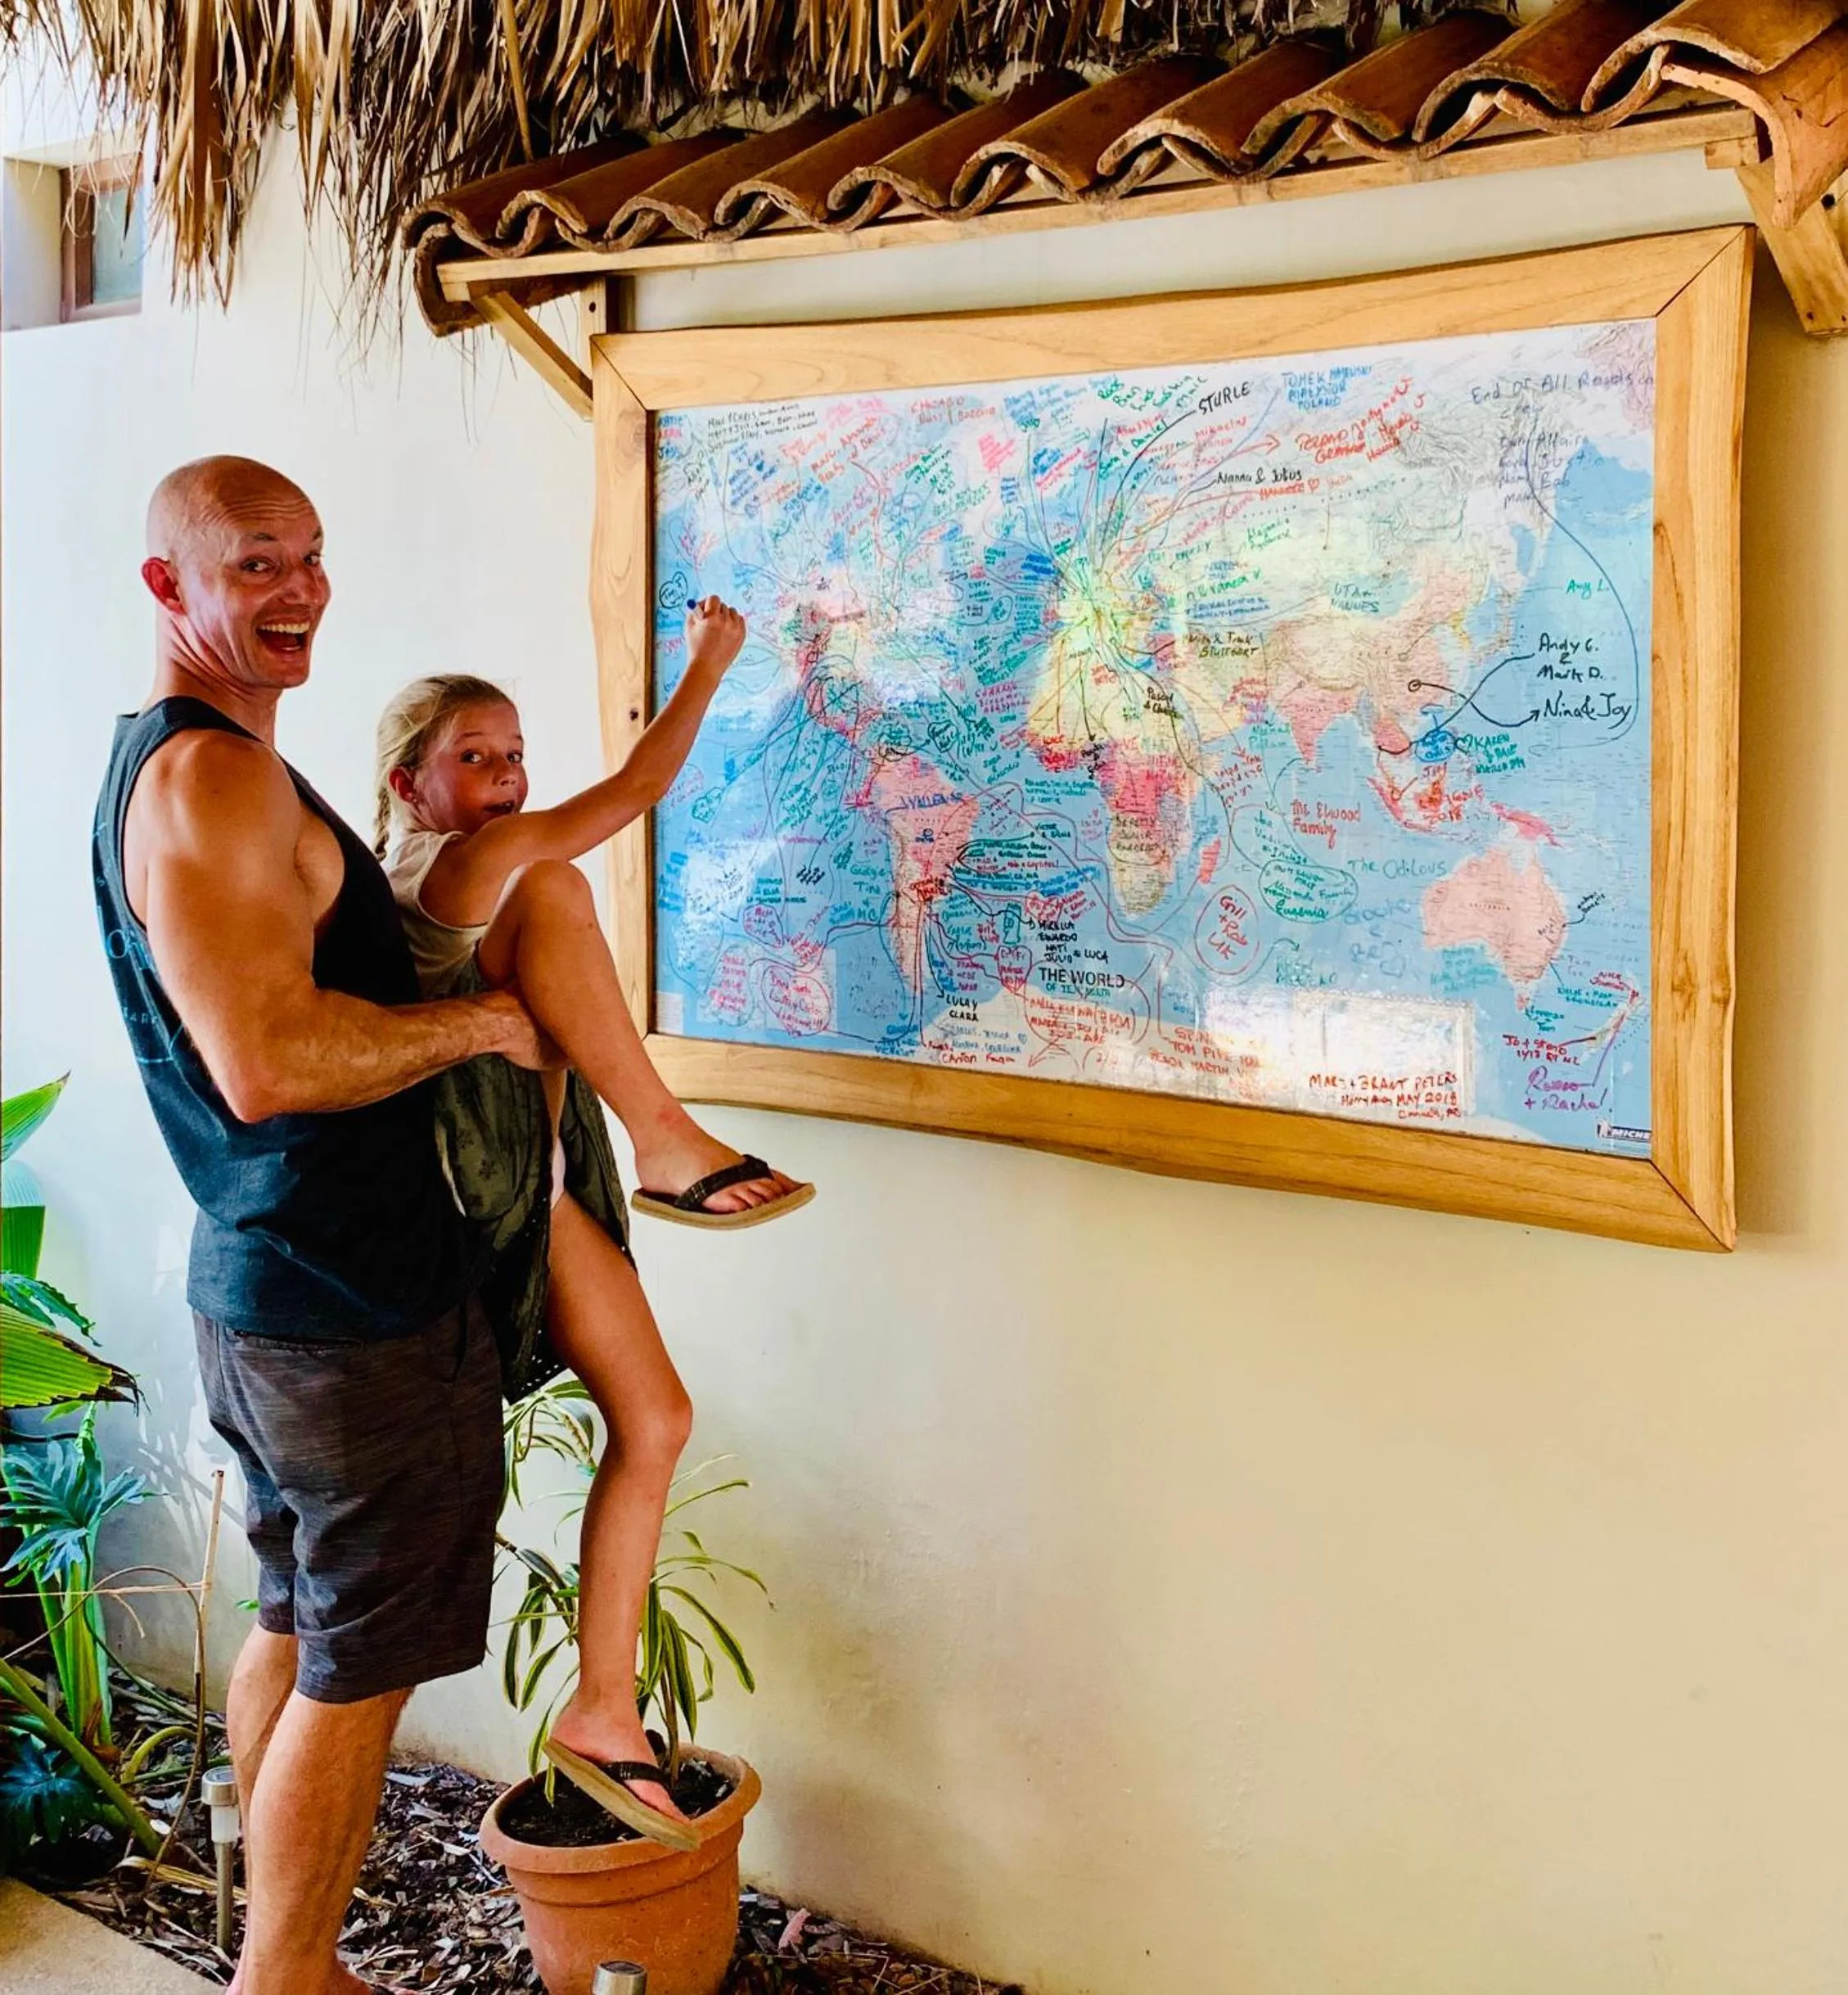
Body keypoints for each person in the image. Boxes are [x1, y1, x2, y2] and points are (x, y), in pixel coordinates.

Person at [93, 454, 552, 1995]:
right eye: (253, 564)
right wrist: (483, 1026)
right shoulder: (214, 779)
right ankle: (284, 1979)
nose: (298, 590)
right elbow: (271, 1061)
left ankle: (296, 1964)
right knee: (357, 1673)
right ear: (171, 587)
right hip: (346, 1309)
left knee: (296, 1621)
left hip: (268, 1291)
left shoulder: (190, 767)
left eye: (310, 555)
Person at [371, 643, 811, 1838]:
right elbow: (628, 798)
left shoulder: (459, 874)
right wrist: (709, 669)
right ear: (409, 785)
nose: (507, 783)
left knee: (657, 1421)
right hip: (499, 1202)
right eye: (475, 759)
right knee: (561, 881)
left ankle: (602, 1711)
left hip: (546, 1184)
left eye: (515, 757)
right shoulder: (455, 865)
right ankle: (668, 1139)